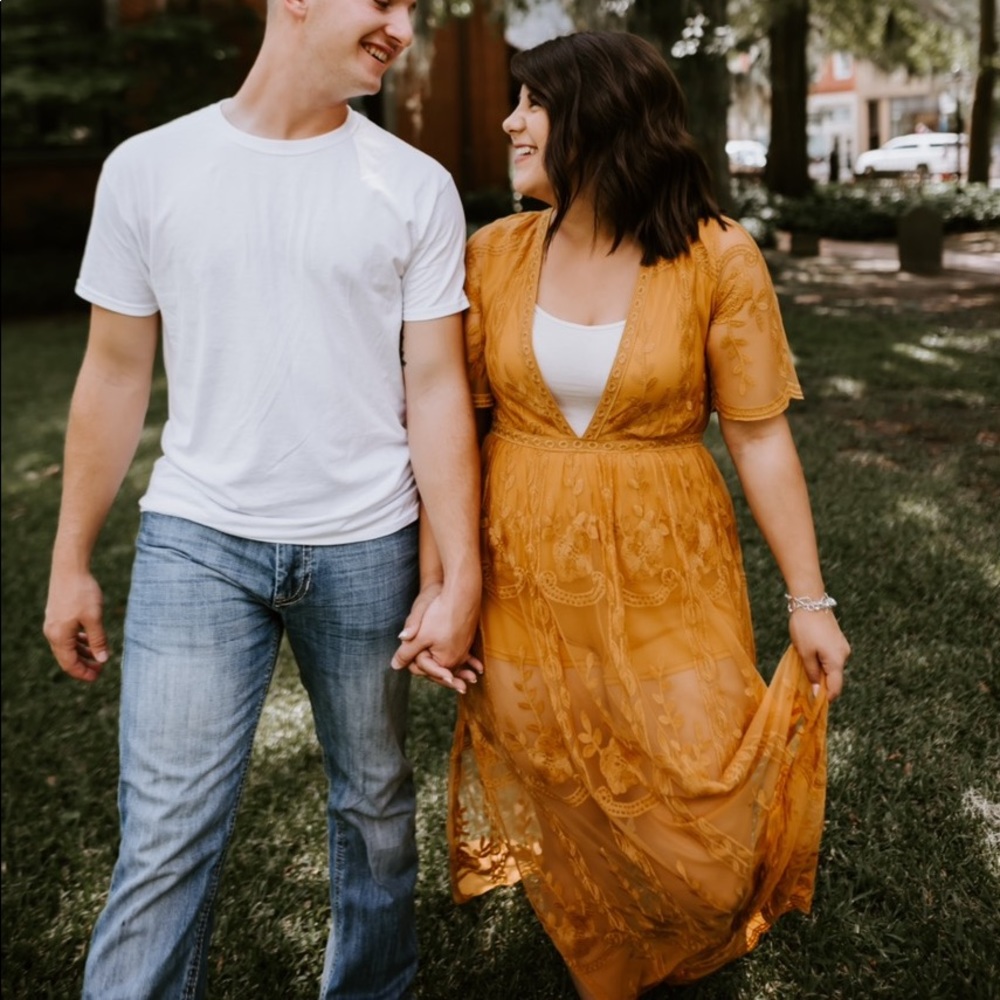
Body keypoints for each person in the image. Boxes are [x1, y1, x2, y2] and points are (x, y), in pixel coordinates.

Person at [42, 0, 482, 997]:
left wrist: (459, 573)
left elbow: (437, 384)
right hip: (199, 541)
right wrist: (71, 559)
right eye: (383, 2)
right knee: (164, 836)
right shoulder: (147, 169)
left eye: (412, 8)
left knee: (374, 809)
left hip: (369, 541)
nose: (402, 28)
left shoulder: (416, 186)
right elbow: (113, 376)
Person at [443, 31, 851, 999]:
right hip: (522, 567)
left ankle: (678, 915)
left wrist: (810, 597)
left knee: (688, 760)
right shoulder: (491, 255)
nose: (509, 121)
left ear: (598, 119)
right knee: (556, 757)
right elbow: (449, 432)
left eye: (531, 102)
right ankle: (607, 961)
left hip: (669, 560)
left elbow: (757, 438)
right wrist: (446, 578)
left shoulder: (715, 255)